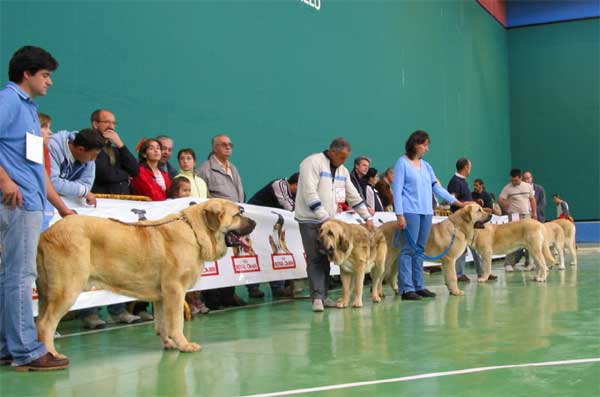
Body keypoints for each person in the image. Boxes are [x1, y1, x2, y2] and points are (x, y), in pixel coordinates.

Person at [0, 45, 74, 371]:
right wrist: (3, 179)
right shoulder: (9, 101)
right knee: (20, 277)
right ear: (27, 74)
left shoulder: (29, 109)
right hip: (16, 204)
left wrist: (60, 206)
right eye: (45, 75)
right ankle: (27, 351)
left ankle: (7, 345)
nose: (50, 82)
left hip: (30, 203)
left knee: (9, 277)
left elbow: (35, 168)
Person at [295, 138, 373, 312]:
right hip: (310, 220)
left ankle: (324, 295)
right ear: (333, 152)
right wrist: (325, 217)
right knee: (315, 258)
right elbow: (309, 193)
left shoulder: (342, 171)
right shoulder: (312, 163)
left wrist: (367, 217)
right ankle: (317, 298)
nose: (344, 161)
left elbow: (352, 195)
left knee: (328, 259)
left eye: (346, 158)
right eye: (342, 157)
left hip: (329, 222)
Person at [394, 130, 467, 301]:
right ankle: (406, 288)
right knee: (408, 250)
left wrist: (456, 202)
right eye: (425, 145)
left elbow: (438, 188)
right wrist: (400, 214)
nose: (427, 149)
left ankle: (419, 286)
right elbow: (396, 191)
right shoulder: (402, 163)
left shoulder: (426, 166)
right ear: (415, 144)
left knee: (420, 249)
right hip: (410, 211)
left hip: (427, 212)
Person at [197, 134, 254, 307]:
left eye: (230, 144)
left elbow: (240, 193)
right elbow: (203, 198)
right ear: (215, 148)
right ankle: (212, 298)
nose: (228, 147)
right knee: (215, 259)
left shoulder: (233, 168)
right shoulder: (205, 169)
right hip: (218, 224)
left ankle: (229, 294)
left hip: (233, 223)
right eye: (223, 144)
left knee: (232, 259)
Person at [248, 172, 299, 298]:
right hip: (256, 223)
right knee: (256, 253)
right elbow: (289, 208)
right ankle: (253, 288)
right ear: (297, 185)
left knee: (278, 252)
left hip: (272, 224)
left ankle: (278, 288)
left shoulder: (296, 193)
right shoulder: (280, 184)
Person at [447, 158, 496, 282]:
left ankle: (483, 272)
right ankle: (460, 274)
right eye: (470, 167)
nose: (470, 169)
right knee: (462, 247)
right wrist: (467, 204)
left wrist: (474, 203)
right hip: (461, 222)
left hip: (469, 221)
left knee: (475, 247)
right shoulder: (455, 181)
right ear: (466, 167)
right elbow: (452, 201)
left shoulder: (463, 181)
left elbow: (463, 200)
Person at [90, 109, 139, 194]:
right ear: (95, 124)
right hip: (101, 201)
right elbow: (105, 174)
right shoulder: (89, 145)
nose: (111, 127)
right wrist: (126, 175)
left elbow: (135, 170)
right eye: (107, 122)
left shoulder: (116, 149)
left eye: (114, 123)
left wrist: (120, 145)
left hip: (122, 201)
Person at [499, 168, 537, 272]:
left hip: (526, 216)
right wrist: (505, 207)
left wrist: (534, 213)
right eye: (512, 180)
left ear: (520, 178)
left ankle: (530, 262)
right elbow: (501, 199)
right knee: (512, 239)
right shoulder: (507, 188)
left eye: (516, 180)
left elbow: (532, 199)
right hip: (514, 216)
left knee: (530, 239)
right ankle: (508, 263)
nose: (514, 182)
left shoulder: (528, 186)